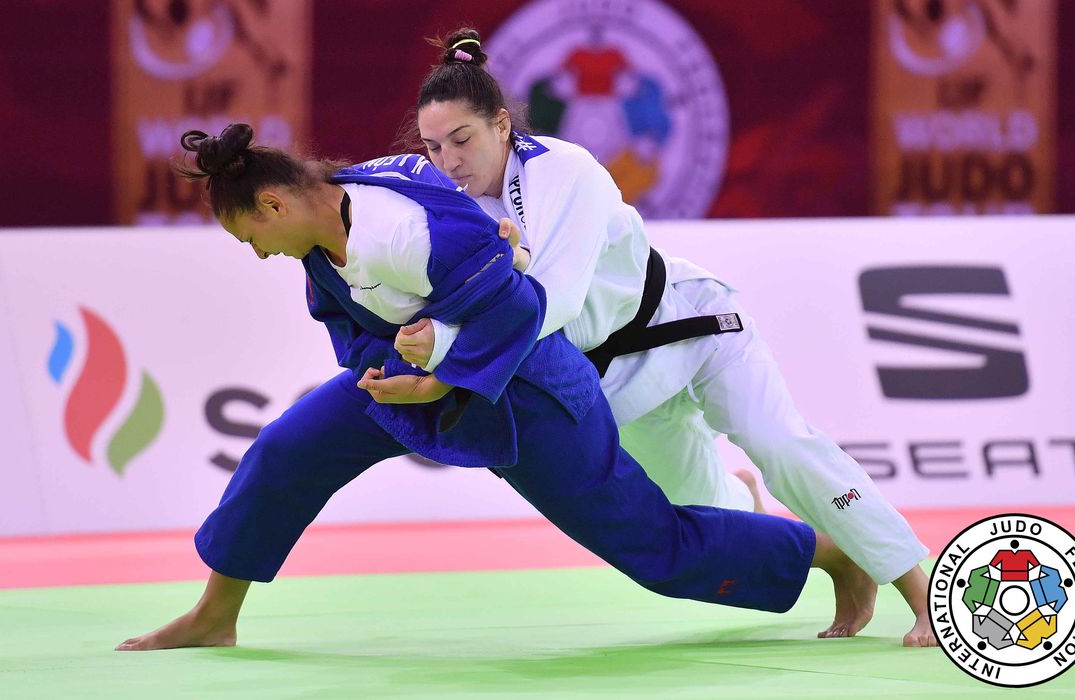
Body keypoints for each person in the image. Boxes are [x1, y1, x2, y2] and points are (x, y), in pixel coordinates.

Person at [116, 123, 868, 651]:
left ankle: (830, 554)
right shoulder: (322, 228)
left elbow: (520, 310)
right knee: (290, 447)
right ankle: (216, 614)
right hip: (420, 379)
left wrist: (438, 378)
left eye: (251, 237)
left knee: (653, 549)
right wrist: (390, 373)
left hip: (529, 390)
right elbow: (350, 324)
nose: (258, 254)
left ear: (274, 206)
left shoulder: (401, 234)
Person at [398, 29, 935, 647]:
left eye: (461, 139)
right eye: (434, 147)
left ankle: (918, 589)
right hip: (613, 380)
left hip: (690, 327)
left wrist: (450, 349)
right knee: (705, 513)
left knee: (781, 443)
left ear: (500, 124)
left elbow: (557, 298)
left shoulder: (563, 170)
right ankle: (810, 539)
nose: (449, 160)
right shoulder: (451, 208)